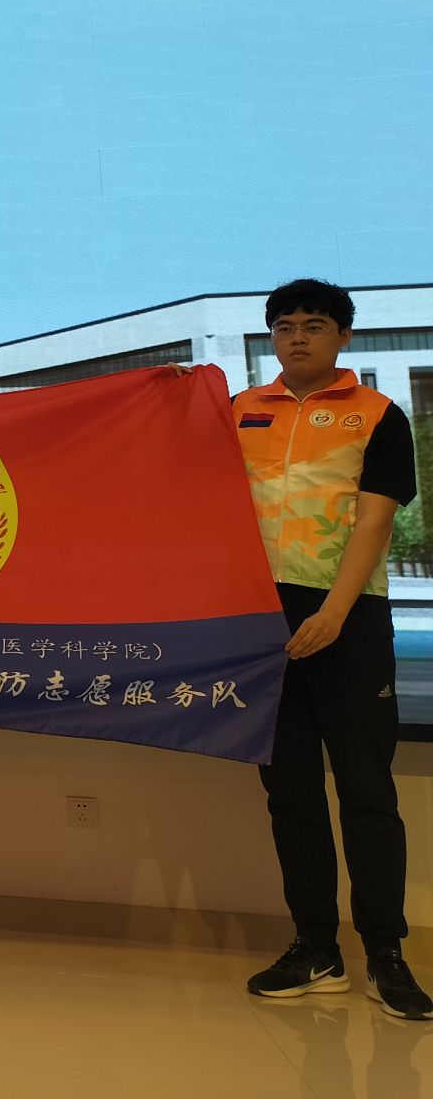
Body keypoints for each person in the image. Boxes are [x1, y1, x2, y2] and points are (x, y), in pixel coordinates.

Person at [231, 280, 427, 1019]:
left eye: (314, 325)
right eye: (284, 326)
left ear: (344, 336)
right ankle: (316, 949)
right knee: (290, 795)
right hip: (261, 624)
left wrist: (336, 611)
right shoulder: (237, 411)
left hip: (349, 618)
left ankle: (387, 957)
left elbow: (375, 522)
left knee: (368, 792)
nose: (298, 338)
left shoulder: (377, 414)